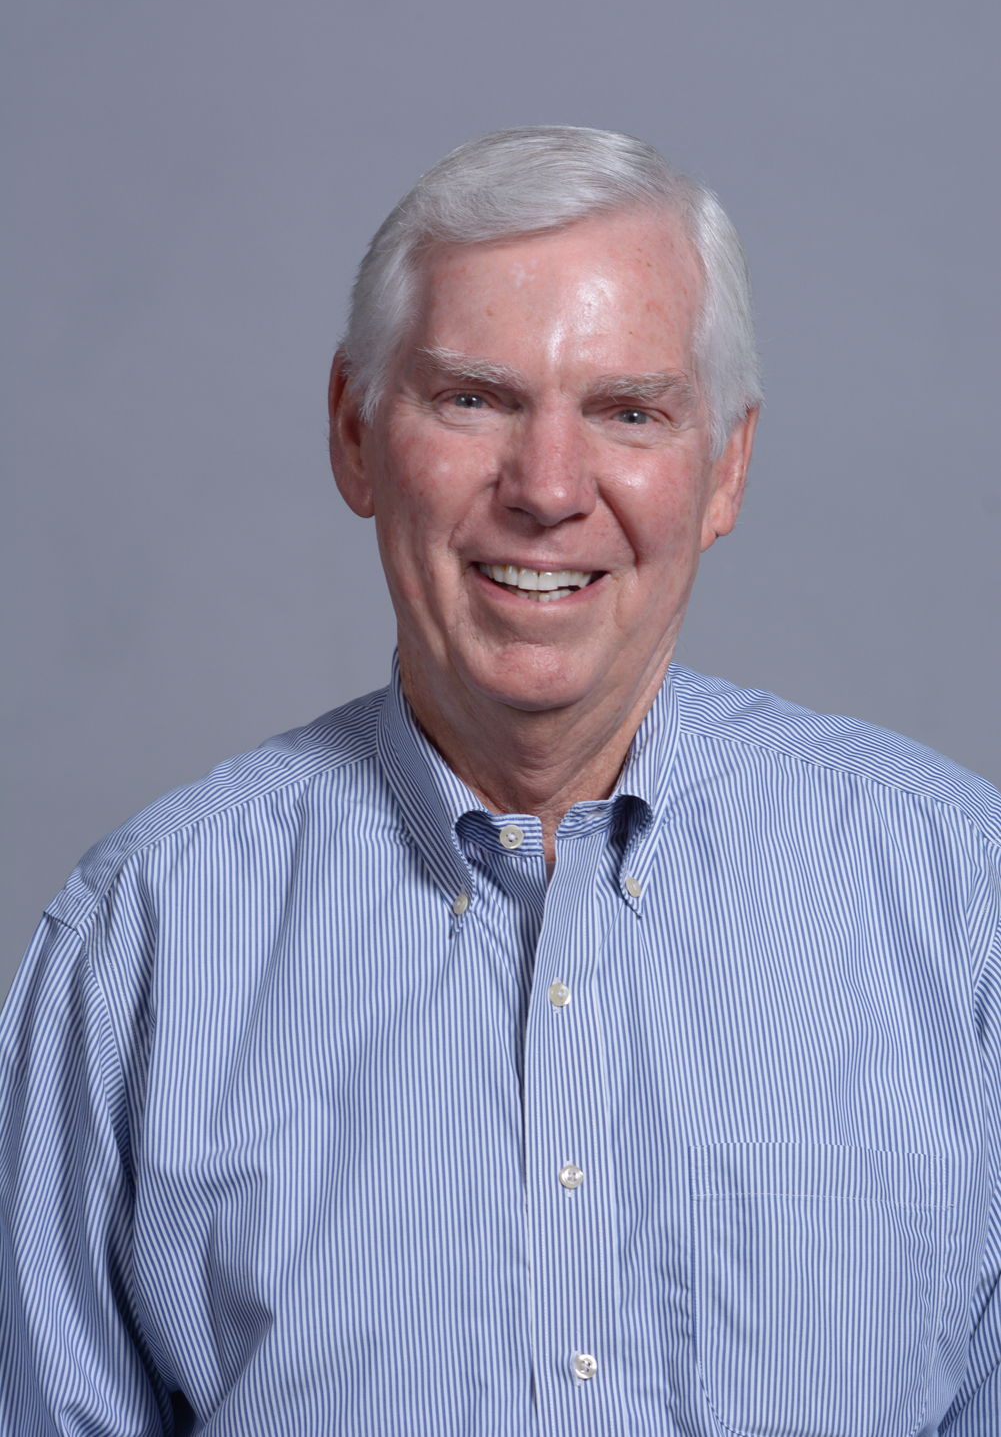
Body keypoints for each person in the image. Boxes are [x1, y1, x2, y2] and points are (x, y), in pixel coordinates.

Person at [1, 127, 998, 1436]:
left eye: (628, 412)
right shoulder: (143, 940)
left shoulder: (961, 904)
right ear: (354, 434)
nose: (546, 489)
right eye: (475, 399)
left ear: (726, 469)